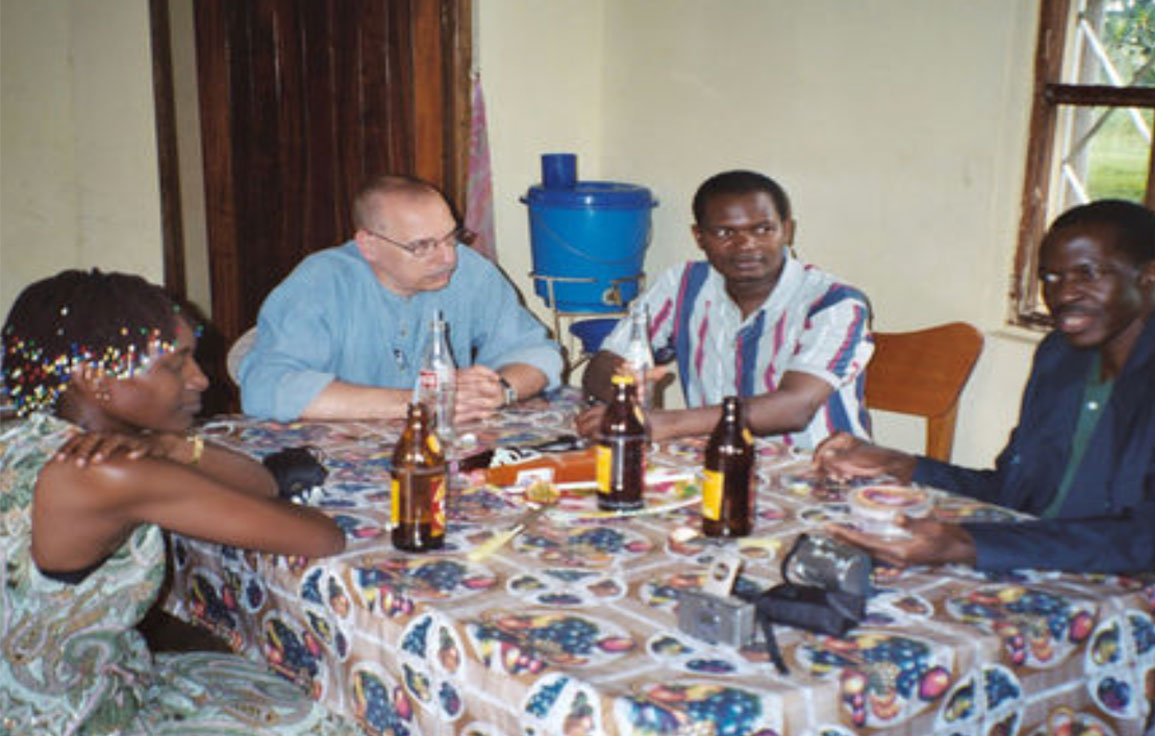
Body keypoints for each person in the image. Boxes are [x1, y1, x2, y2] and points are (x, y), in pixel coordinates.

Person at [0, 270, 360, 734]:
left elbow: (263, 483)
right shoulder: (107, 473)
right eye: (175, 365)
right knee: (340, 716)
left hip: (66, 683)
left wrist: (173, 445)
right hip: (66, 717)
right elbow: (320, 535)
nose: (201, 379)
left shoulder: (26, 431)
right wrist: (162, 457)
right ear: (95, 380)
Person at [817, 200, 1155, 579]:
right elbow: (1013, 490)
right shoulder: (1061, 356)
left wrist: (966, 544)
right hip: (1039, 556)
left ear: (1151, 274)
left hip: (1149, 586)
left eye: (1088, 274)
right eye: (1051, 278)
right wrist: (902, 464)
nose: (1064, 295)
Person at [577, 170, 873, 447]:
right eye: (724, 233)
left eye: (763, 229)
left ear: (787, 231)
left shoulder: (834, 303)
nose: (746, 244)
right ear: (699, 237)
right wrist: (624, 394)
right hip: (712, 464)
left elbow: (795, 407)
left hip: (821, 475)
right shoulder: (681, 285)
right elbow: (604, 364)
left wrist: (665, 422)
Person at [238, 174, 563, 422]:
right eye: (422, 246)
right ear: (369, 245)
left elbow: (539, 352)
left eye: (451, 237)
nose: (447, 258)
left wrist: (500, 390)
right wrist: (416, 401)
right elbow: (266, 387)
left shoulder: (470, 271)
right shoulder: (321, 282)